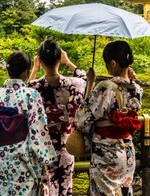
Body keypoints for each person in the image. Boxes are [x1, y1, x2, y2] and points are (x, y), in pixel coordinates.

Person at [0, 51, 57, 195]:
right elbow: (38, 130)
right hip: (23, 159)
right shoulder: (31, 95)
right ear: (26, 72)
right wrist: (46, 158)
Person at [74, 40, 143, 196]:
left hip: (106, 151)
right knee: (124, 191)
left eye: (107, 63)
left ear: (113, 63)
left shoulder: (105, 86)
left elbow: (82, 119)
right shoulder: (137, 88)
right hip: (127, 149)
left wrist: (90, 82)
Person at [28, 39, 94, 196]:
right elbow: (87, 78)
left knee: (43, 187)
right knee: (65, 186)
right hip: (66, 144)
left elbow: (25, 90)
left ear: (40, 60)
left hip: (42, 146)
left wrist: (35, 68)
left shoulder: (34, 88)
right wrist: (69, 62)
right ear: (59, 58)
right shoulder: (75, 84)